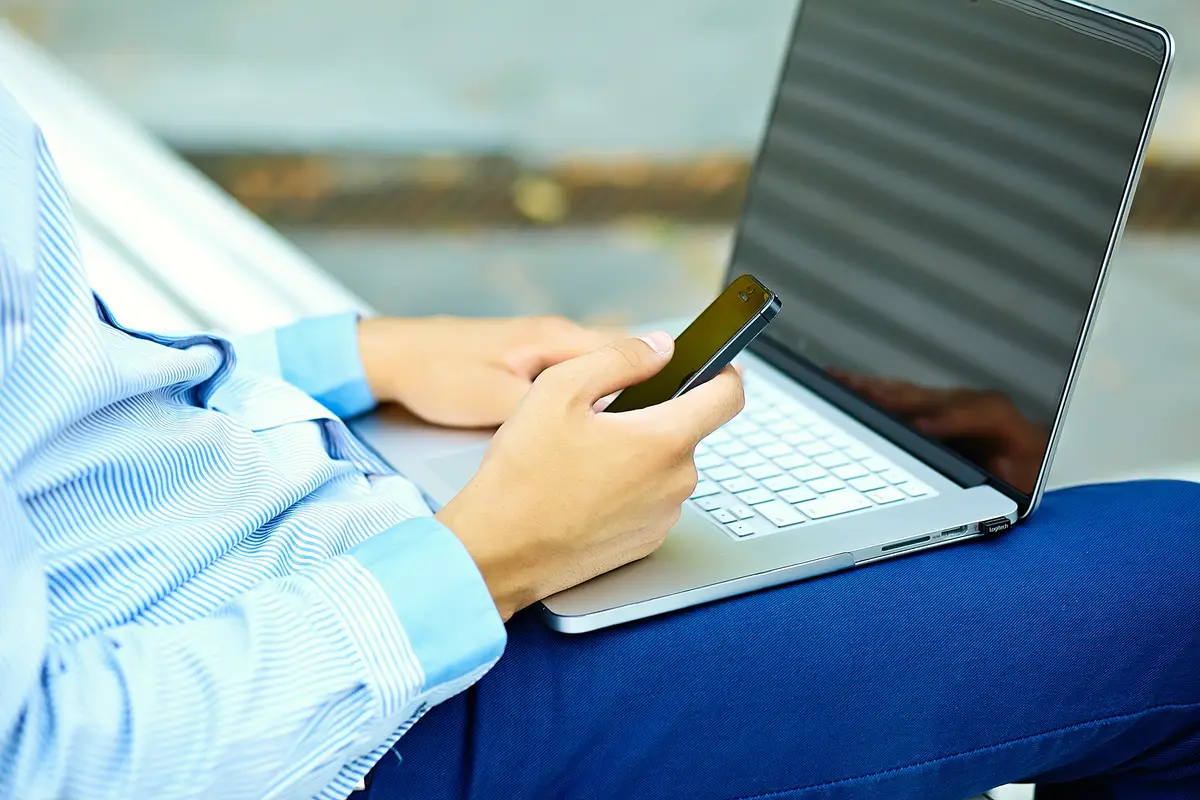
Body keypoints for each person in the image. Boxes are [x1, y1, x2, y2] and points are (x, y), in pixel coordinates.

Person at [0, 88, 1197, 800]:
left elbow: (44, 381)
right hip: (317, 722)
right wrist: (493, 558)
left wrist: (349, 356)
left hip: (270, 533)